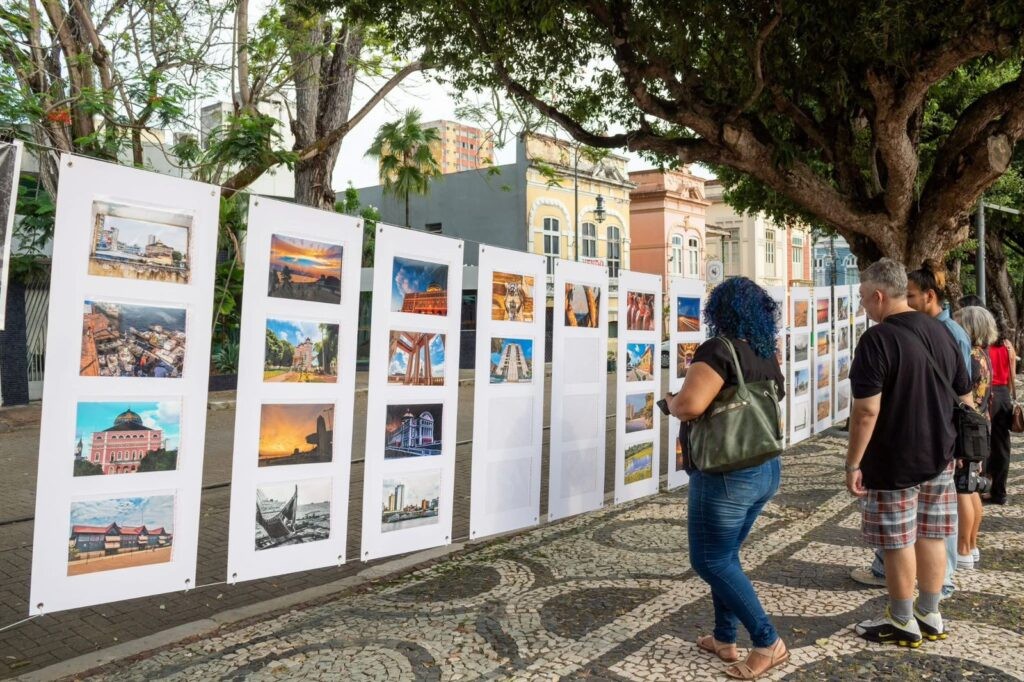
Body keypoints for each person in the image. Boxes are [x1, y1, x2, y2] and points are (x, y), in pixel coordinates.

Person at [666, 277, 788, 679]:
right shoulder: (765, 351)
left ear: (718, 312)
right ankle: (723, 638)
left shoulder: (717, 350)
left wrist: (669, 402)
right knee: (725, 556)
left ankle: (768, 641)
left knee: (710, 559)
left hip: (726, 472)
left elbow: (691, 405)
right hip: (764, 466)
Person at [847, 258, 972, 647]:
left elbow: (866, 411)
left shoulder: (876, 340)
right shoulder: (942, 333)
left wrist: (853, 462)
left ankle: (901, 619)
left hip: (894, 458)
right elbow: (965, 397)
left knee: (898, 539)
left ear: (879, 296)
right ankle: (930, 613)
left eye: (864, 298)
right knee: (932, 535)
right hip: (941, 453)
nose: (863, 307)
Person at [952, 305, 997, 567]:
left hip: (968, 429)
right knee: (972, 487)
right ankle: (972, 545)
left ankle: (963, 548)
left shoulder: (969, 356)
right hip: (980, 426)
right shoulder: (983, 355)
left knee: (963, 489)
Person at [987, 312, 1016, 506]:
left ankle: (981, 486)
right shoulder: (1008, 346)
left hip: (990, 395)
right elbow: (1012, 375)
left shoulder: (984, 346)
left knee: (984, 444)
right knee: (1003, 445)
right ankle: (1000, 492)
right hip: (1004, 394)